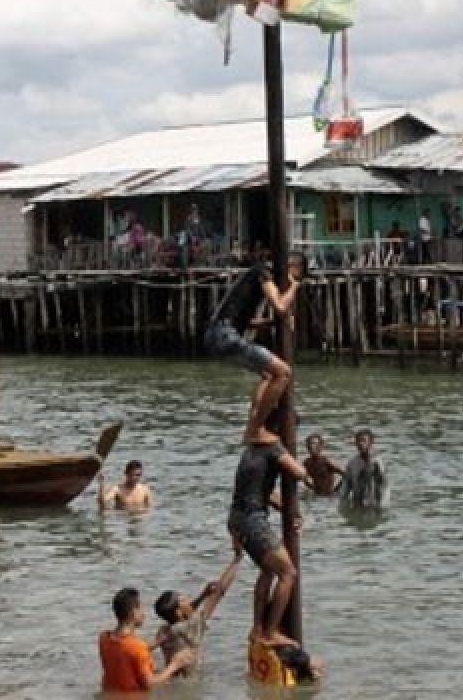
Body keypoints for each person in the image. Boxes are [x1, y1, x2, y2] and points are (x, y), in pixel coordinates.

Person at [228, 405, 316, 648]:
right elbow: (300, 473)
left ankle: (257, 628)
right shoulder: (273, 446)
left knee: (268, 571)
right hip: (252, 520)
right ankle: (269, 631)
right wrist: (303, 471)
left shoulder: (253, 446)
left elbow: (263, 493)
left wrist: (289, 511)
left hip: (237, 517)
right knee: (288, 573)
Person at [203, 253, 303, 442]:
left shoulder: (252, 275)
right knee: (283, 373)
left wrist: (271, 323)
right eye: (297, 274)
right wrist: (294, 286)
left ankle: (254, 423)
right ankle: (255, 429)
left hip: (216, 335)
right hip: (226, 336)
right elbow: (280, 307)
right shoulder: (263, 271)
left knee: (268, 375)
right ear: (292, 268)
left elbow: (240, 319)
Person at [152, 542, 242, 676]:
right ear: (179, 612)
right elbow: (219, 593)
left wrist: (203, 595)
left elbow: (187, 611)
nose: (189, 598)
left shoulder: (164, 629)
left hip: (172, 677)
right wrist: (237, 558)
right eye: (184, 599)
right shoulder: (193, 624)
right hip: (190, 681)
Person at [99, 588, 193, 693]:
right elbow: (150, 683)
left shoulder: (104, 638)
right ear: (134, 612)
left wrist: (157, 643)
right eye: (142, 609)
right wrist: (175, 665)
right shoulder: (138, 647)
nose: (144, 614)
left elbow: (125, 651)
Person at [341, 428, 388, 510]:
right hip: (357, 503)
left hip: (374, 505)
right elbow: (346, 488)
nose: (361, 443)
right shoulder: (352, 464)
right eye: (358, 441)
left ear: (371, 442)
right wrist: (343, 505)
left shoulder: (378, 463)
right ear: (355, 443)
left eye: (363, 441)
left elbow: (384, 486)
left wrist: (381, 506)